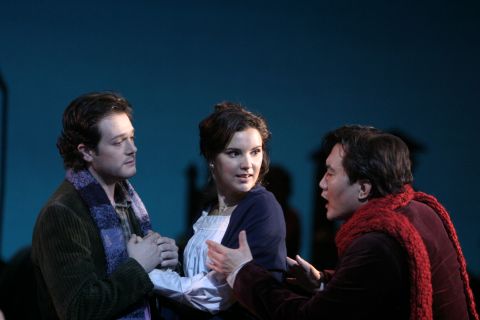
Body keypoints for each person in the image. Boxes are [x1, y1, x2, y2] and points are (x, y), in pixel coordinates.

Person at [206, 125, 479, 320]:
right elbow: (379, 291)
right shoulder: (419, 210)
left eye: (331, 173)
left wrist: (242, 272)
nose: (321, 184)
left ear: (363, 188)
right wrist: (323, 283)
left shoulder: (376, 244)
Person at [31, 92, 178, 320]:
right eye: (119, 142)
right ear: (87, 152)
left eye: (132, 137)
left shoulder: (129, 203)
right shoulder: (62, 214)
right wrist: (138, 266)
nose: (132, 148)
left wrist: (165, 260)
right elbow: (78, 309)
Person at [148, 102, 287, 318]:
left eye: (255, 152)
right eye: (234, 153)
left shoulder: (261, 206)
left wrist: (146, 274)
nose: (248, 164)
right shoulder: (209, 208)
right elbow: (195, 276)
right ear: (212, 158)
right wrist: (169, 261)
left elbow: (216, 294)